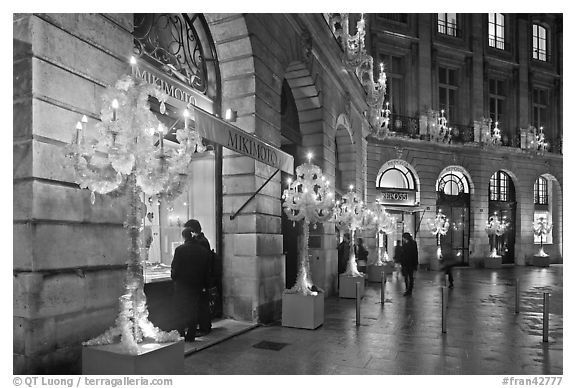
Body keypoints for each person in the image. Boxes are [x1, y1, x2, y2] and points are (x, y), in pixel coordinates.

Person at [171, 226, 211, 342]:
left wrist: (174, 277)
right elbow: (206, 269)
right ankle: (191, 335)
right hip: (197, 285)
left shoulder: (180, 250)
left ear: (184, 237)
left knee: (180, 309)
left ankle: (181, 333)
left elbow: (175, 268)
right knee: (192, 309)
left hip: (182, 285)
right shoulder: (203, 250)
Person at [184, 219, 213, 335]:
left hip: (200, 278)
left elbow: (201, 261)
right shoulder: (202, 240)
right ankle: (204, 326)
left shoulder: (201, 242)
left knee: (201, 304)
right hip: (201, 277)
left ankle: (204, 327)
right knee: (201, 303)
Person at [400, 232, 418, 296]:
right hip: (409, 264)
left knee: (408, 277)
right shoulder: (412, 243)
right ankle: (409, 290)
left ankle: (408, 290)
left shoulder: (408, 244)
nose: (402, 239)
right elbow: (416, 254)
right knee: (409, 277)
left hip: (408, 264)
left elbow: (414, 254)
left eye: (403, 238)